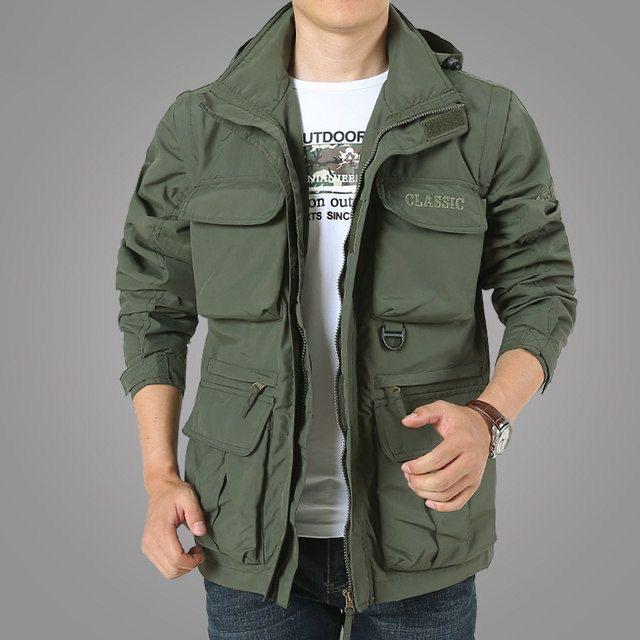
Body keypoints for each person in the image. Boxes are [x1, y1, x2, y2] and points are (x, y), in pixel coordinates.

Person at [116, 2, 577, 638]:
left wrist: (488, 418)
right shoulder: (202, 123)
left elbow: (543, 290)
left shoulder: (484, 119)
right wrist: (159, 477)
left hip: (422, 529)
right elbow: (152, 305)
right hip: (245, 532)